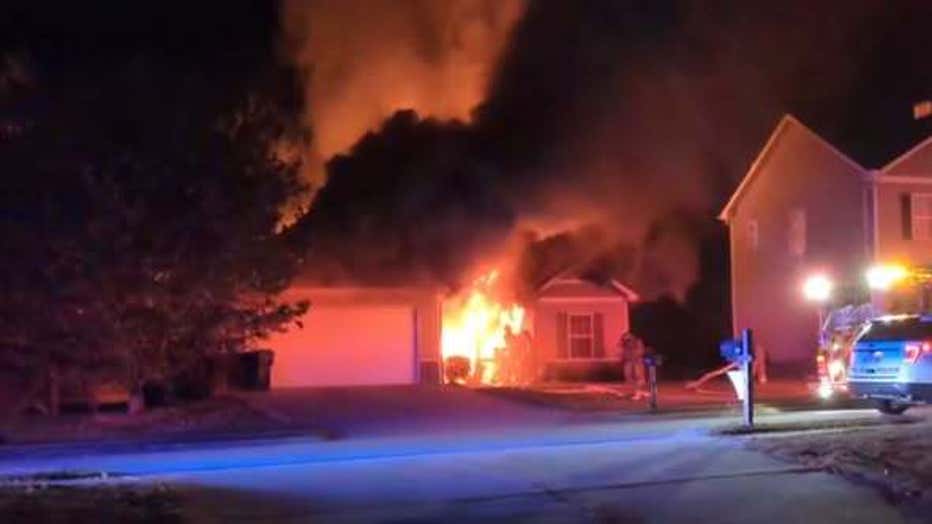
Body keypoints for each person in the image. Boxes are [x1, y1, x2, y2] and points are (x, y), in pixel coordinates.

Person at [619, 332, 648, 399]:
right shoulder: (625, 345)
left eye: (629, 339)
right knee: (628, 376)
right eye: (626, 340)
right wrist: (624, 357)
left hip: (637, 362)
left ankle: (639, 392)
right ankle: (634, 391)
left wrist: (635, 356)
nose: (628, 342)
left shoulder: (638, 342)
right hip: (629, 362)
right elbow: (623, 354)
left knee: (639, 377)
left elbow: (640, 351)